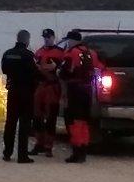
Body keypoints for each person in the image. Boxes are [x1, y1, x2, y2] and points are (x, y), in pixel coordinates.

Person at [59, 28, 99, 164]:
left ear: (72, 41)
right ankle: (83, 151)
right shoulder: (91, 53)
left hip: (74, 90)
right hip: (88, 91)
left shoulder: (71, 54)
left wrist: (57, 69)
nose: (67, 43)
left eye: (68, 41)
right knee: (84, 121)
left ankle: (76, 151)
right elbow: (98, 68)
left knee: (73, 121)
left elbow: (63, 73)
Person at [0, 29, 38, 162]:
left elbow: (4, 70)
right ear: (27, 40)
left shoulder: (7, 54)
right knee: (24, 124)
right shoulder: (29, 55)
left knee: (10, 122)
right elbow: (35, 73)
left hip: (13, 91)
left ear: (17, 38)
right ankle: (22, 155)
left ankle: (7, 153)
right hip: (26, 92)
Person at [31, 27, 65, 157]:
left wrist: (56, 68)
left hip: (53, 87)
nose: (46, 39)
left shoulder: (60, 53)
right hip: (41, 87)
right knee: (37, 117)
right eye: (44, 37)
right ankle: (39, 143)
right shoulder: (39, 52)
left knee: (51, 118)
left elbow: (64, 71)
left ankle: (48, 146)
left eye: (48, 37)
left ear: (53, 38)